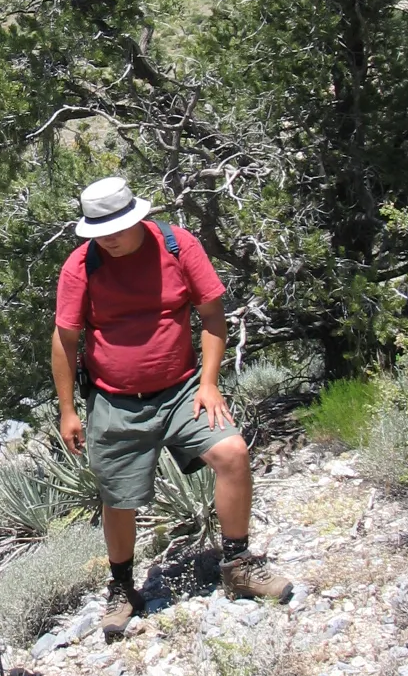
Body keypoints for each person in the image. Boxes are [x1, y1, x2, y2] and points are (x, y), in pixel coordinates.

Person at [52, 177, 291, 641]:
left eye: (118, 228)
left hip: (183, 388)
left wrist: (208, 383)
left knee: (233, 453)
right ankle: (122, 587)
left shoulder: (178, 246)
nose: (110, 238)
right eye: (100, 231)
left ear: (139, 217)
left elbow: (213, 315)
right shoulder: (81, 265)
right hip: (114, 398)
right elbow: (65, 340)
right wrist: (68, 409)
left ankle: (238, 564)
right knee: (118, 498)